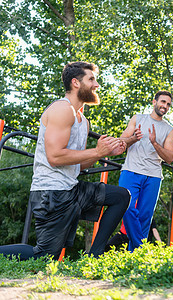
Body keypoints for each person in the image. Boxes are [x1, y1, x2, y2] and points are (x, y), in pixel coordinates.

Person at [0, 61, 130, 260]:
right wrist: (96, 151)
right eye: (92, 79)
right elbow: (54, 157)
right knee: (43, 256)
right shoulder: (62, 109)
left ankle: (95, 256)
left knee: (120, 196)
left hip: (72, 187)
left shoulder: (82, 120)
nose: (97, 85)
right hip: (50, 192)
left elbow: (77, 164)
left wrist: (104, 153)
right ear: (76, 83)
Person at [118, 91, 173, 252]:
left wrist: (155, 143)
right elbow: (121, 143)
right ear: (154, 102)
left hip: (153, 176)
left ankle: (134, 256)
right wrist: (133, 139)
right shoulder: (138, 119)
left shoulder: (169, 130)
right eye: (163, 102)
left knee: (145, 216)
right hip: (131, 170)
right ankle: (141, 248)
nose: (165, 106)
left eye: (168, 104)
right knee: (126, 207)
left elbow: (170, 157)